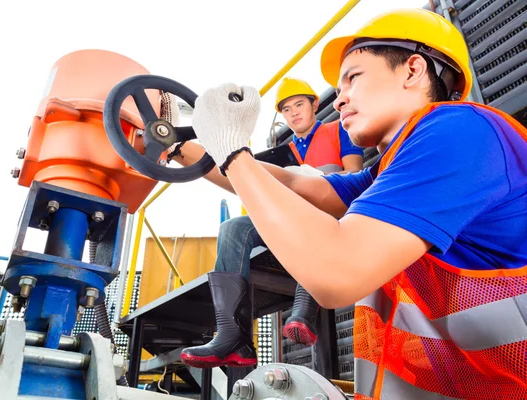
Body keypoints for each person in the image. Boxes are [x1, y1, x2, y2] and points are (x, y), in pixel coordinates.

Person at [180, 8, 527, 399]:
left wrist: (233, 154)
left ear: (413, 70)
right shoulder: (390, 174)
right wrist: (180, 147)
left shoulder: (457, 131)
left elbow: (336, 272)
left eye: (353, 78)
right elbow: (294, 183)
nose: (340, 99)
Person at [169, 79, 363, 367]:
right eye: (286, 109)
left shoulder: (340, 130)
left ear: (314, 105)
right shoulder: (283, 153)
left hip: (330, 217)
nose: (294, 113)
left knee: (310, 216)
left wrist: (313, 180)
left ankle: (305, 311)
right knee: (233, 229)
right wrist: (180, 150)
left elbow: (354, 179)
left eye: (299, 104)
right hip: (290, 219)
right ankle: (233, 337)